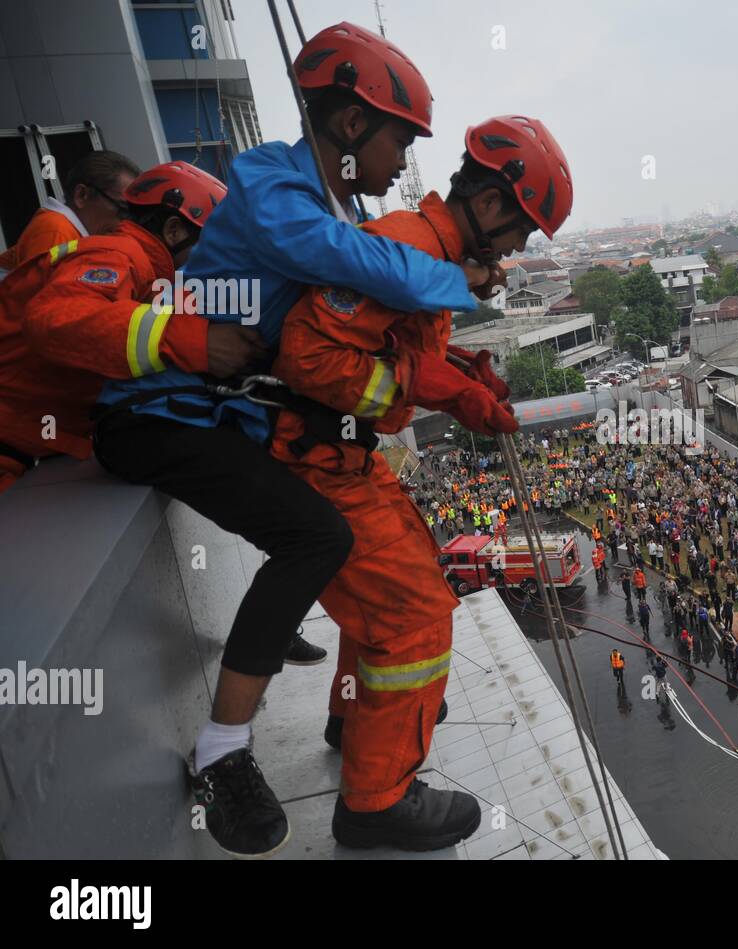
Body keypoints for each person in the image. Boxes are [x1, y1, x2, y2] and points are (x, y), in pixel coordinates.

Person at [91, 23, 494, 858]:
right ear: (351, 127)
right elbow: (337, 259)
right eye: (398, 139)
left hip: (208, 412)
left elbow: (360, 303)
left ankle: (334, 711)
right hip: (156, 413)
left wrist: (452, 361)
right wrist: (450, 278)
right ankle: (223, 755)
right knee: (317, 536)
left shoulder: (329, 205)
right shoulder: (276, 183)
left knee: (324, 540)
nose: (402, 162)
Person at [263, 113, 565, 852]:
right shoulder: (408, 246)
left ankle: (354, 717)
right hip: (316, 456)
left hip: (338, 454)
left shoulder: (427, 256)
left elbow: (390, 347)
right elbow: (308, 357)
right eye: (519, 235)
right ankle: (376, 800)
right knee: (416, 617)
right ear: (490, 206)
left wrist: (459, 374)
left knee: (395, 596)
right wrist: (427, 387)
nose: (512, 257)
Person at [0, 162, 249, 495]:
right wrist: (194, 342)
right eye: (209, 243)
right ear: (174, 231)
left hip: (28, 442)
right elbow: (57, 321)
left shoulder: (144, 269)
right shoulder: (118, 254)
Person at [0, 150, 140, 275]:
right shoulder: (56, 232)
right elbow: (43, 300)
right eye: (122, 209)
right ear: (82, 195)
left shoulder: (74, 233)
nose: (126, 221)